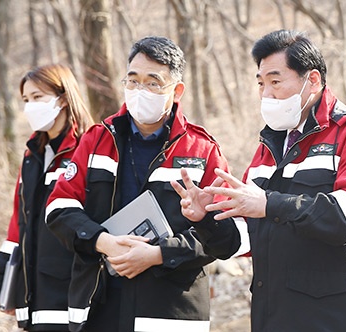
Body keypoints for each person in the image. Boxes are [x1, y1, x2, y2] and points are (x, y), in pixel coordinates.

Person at [175, 29, 346, 331]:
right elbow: (245, 237)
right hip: (274, 316)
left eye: (276, 82)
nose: (266, 93)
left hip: (337, 320)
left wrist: (270, 204)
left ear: (312, 80)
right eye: (261, 83)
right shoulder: (269, 147)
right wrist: (206, 219)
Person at [45, 36, 241, 332]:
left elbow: (227, 239)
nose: (140, 90)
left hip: (170, 312)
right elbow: (59, 208)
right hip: (99, 305)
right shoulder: (98, 139)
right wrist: (104, 242)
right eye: (133, 80)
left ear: (176, 91)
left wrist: (159, 254)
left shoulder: (201, 150)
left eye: (153, 83)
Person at [0, 64, 94, 331]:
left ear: (63, 97)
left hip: (73, 285)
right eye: (26, 100)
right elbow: (18, 222)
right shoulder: (31, 155)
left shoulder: (88, 148)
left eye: (38, 97)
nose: (30, 106)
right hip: (32, 286)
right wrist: (4, 277)